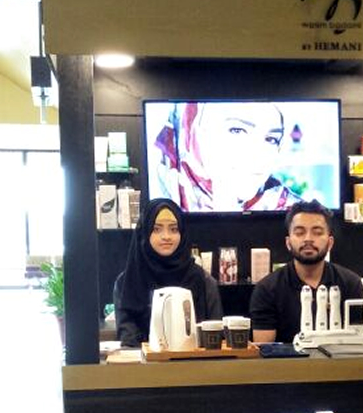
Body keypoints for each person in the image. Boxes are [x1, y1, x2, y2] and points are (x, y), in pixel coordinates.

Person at [152, 102, 305, 212]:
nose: (259, 154)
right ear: (196, 136)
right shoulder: (163, 201)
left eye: (271, 139)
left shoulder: (293, 211)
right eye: (237, 130)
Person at [250, 200, 363, 344]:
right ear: (288, 242)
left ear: (330, 243)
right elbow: (264, 349)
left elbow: (359, 343)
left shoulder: (350, 284)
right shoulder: (267, 289)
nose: (308, 239)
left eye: (317, 233)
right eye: (300, 233)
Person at [114, 198, 222, 347]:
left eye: (173, 229)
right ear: (145, 233)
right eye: (157, 229)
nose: (166, 236)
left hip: (195, 359)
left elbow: (215, 336)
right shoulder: (127, 282)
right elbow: (128, 340)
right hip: (142, 360)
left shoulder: (202, 280)